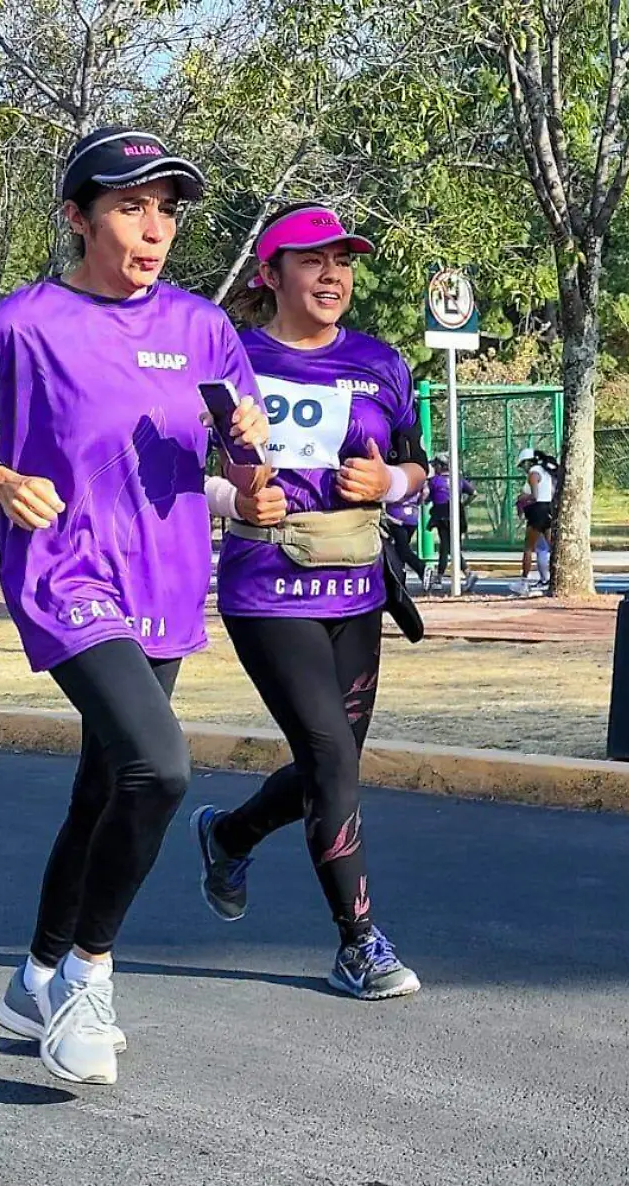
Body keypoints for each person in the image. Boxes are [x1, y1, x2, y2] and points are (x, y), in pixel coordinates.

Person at [0, 125, 268, 1086]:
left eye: (164, 209)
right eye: (128, 206)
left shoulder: (204, 327)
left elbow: (246, 465)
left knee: (104, 785)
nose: (152, 228)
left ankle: (29, 973)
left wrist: (249, 450)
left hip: (166, 580)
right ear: (79, 218)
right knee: (158, 771)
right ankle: (86, 974)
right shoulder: (20, 326)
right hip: (66, 576)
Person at [192, 202, 424, 1000]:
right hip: (266, 589)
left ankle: (229, 833)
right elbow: (184, 467)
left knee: (337, 764)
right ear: (271, 275)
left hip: (356, 588)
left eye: (343, 262)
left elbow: (417, 469)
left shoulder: (382, 364)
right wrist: (233, 501)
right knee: (330, 757)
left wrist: (388, 483)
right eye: (312, 260)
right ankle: (358, 942)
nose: (332, 275)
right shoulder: (231, 359)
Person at [425, 457, 475, 592]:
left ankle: (441, 578)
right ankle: (465, 573)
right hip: (457, 517)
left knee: (446, 548)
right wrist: (462, 505)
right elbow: (473, 493)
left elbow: (426, 497)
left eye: (436, 465)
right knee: (452, 548)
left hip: (443, 518)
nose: (434, 468)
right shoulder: (458, 479)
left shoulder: (434, 481)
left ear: (441, 467)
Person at [512, 446, 555, 595]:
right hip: (548, 510)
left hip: (537, 512)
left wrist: (520, 499)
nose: (523, 468)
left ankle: (524, 582)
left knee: (528, 548)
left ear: (527, 462)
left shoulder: (533, 473)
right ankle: (551, 579)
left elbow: (534, 495)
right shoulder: (546, 471)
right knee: (552, 547)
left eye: (523, 464)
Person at [384, 483, 426, 587]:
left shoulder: (394, 479)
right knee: (399, 551)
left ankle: (421, 568)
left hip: (397, 519)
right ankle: (400, 581)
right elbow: (425, 491)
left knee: (402, 550)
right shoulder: (413, 480)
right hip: (411, 517)